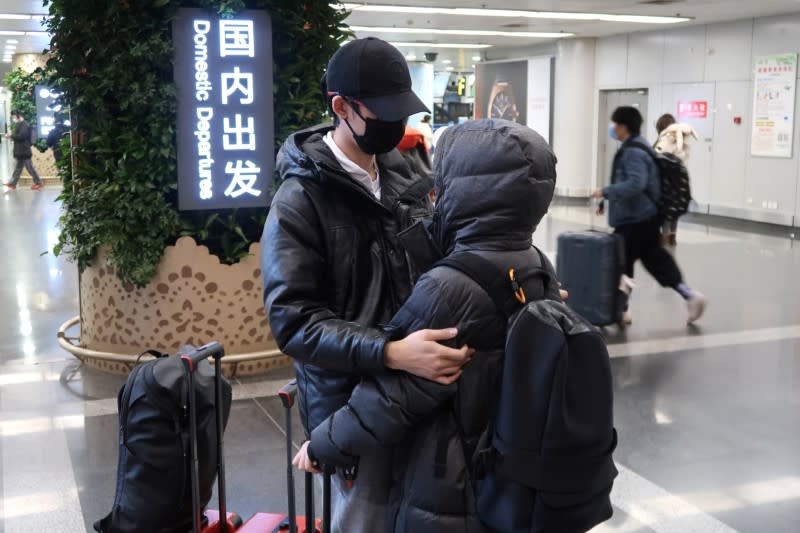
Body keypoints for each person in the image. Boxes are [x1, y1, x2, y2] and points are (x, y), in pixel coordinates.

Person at [292, 119, 561, 532]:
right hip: (503, 458)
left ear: (467, 190)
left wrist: (324, 445)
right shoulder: (537, 265)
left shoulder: (448, 286)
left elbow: (390, 397)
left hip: (448, 473)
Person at [261, 37, 472, 532]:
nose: (396, 125)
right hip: (353, 406)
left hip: (420, 392)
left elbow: (444, 256)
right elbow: (294, 322)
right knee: (366, 521)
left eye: (402, 111)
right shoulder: (299, 201)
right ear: (340, 107)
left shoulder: (407, 177)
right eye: (383, 112)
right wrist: (392, 352)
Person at [593, 106, 706, 325]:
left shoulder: (633, 150)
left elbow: (636, 183)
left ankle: (621, 309)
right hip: (642, 218)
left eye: (615, 124)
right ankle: (690, 295)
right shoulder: (638, 145)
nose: (613, 128)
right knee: (655, 261)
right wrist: (605, 200)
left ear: (623, 126)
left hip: (636, 219)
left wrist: (605, 192)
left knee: (620, 262)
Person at [654, 113, 698, 245]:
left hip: (666, 185)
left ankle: (664, 243)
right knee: (673, 216)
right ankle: (672, 241)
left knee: (665, 217)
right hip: (678, 185)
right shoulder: (681, 142)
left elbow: (658, 158)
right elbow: (683, 160)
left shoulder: (664, 141)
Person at [4, 110, 43, 191]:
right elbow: (18, 136)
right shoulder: (19, 124)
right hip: (20, 151)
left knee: (30, 168)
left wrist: (11, 135)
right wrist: (12, 136)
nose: (13, 118)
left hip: (24, 151)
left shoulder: (24, 124)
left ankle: (38, 183)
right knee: (18, 168)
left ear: (18, 115)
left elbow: (22, 136)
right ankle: (12, 183)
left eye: (13, 116)